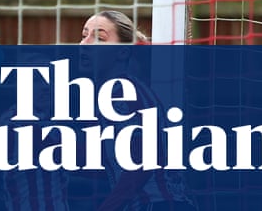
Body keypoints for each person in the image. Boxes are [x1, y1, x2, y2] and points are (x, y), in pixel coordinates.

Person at [78, 11, 195, 211]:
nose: (84, 43)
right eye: (84, 35)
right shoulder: (115, 91)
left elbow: (143, 162)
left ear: (123, 51)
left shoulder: (121, 91)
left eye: (99, 37)